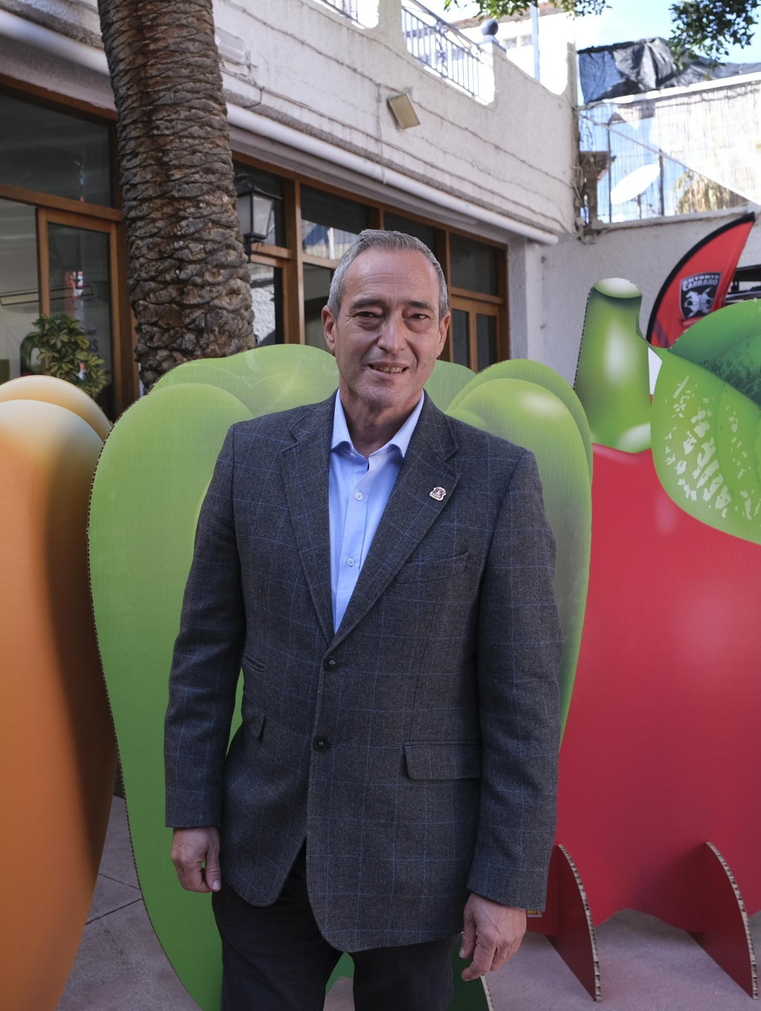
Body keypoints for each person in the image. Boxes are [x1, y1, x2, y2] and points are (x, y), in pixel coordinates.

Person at [164, 229, 562, 1011]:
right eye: (371, 313)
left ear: (443, 334)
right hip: (268, 841)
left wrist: (506, 880)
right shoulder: (252, 457)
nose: (393, 339)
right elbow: (204, 653)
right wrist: (193, 808)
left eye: (417, 317)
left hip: (418, 857)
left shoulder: (497, 481)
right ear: (330, 326)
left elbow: (523, 703)